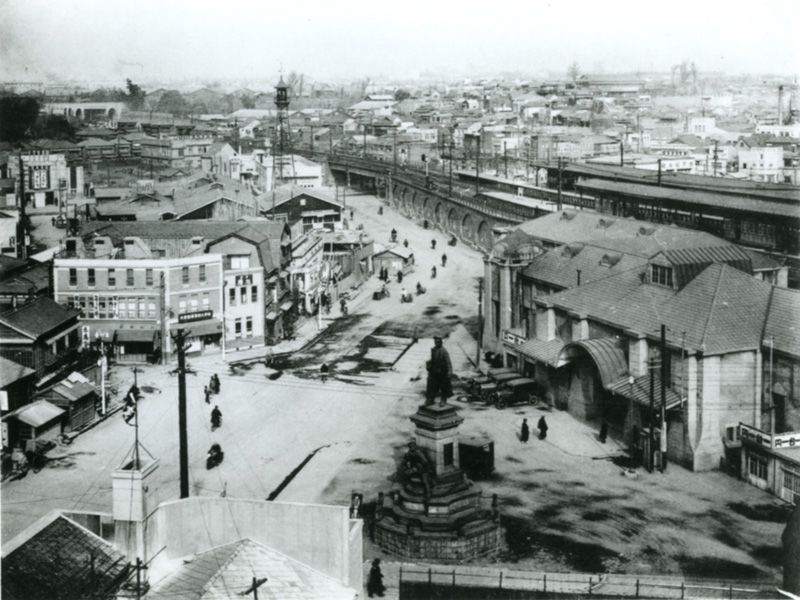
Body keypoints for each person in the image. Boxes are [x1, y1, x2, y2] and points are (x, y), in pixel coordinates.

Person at [425, 336, 452, 405]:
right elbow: (432, 359)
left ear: (441, 342)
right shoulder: (433, 349)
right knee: (432, 386)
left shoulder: (444, 351)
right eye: (435, 342)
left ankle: (443, 400)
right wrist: (429, 364)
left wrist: (449, 371)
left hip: (442, 372)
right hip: (434, 371)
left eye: (438, 342)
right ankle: (430, 399)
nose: (436, 343)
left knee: (443, 386)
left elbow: (448, 362)